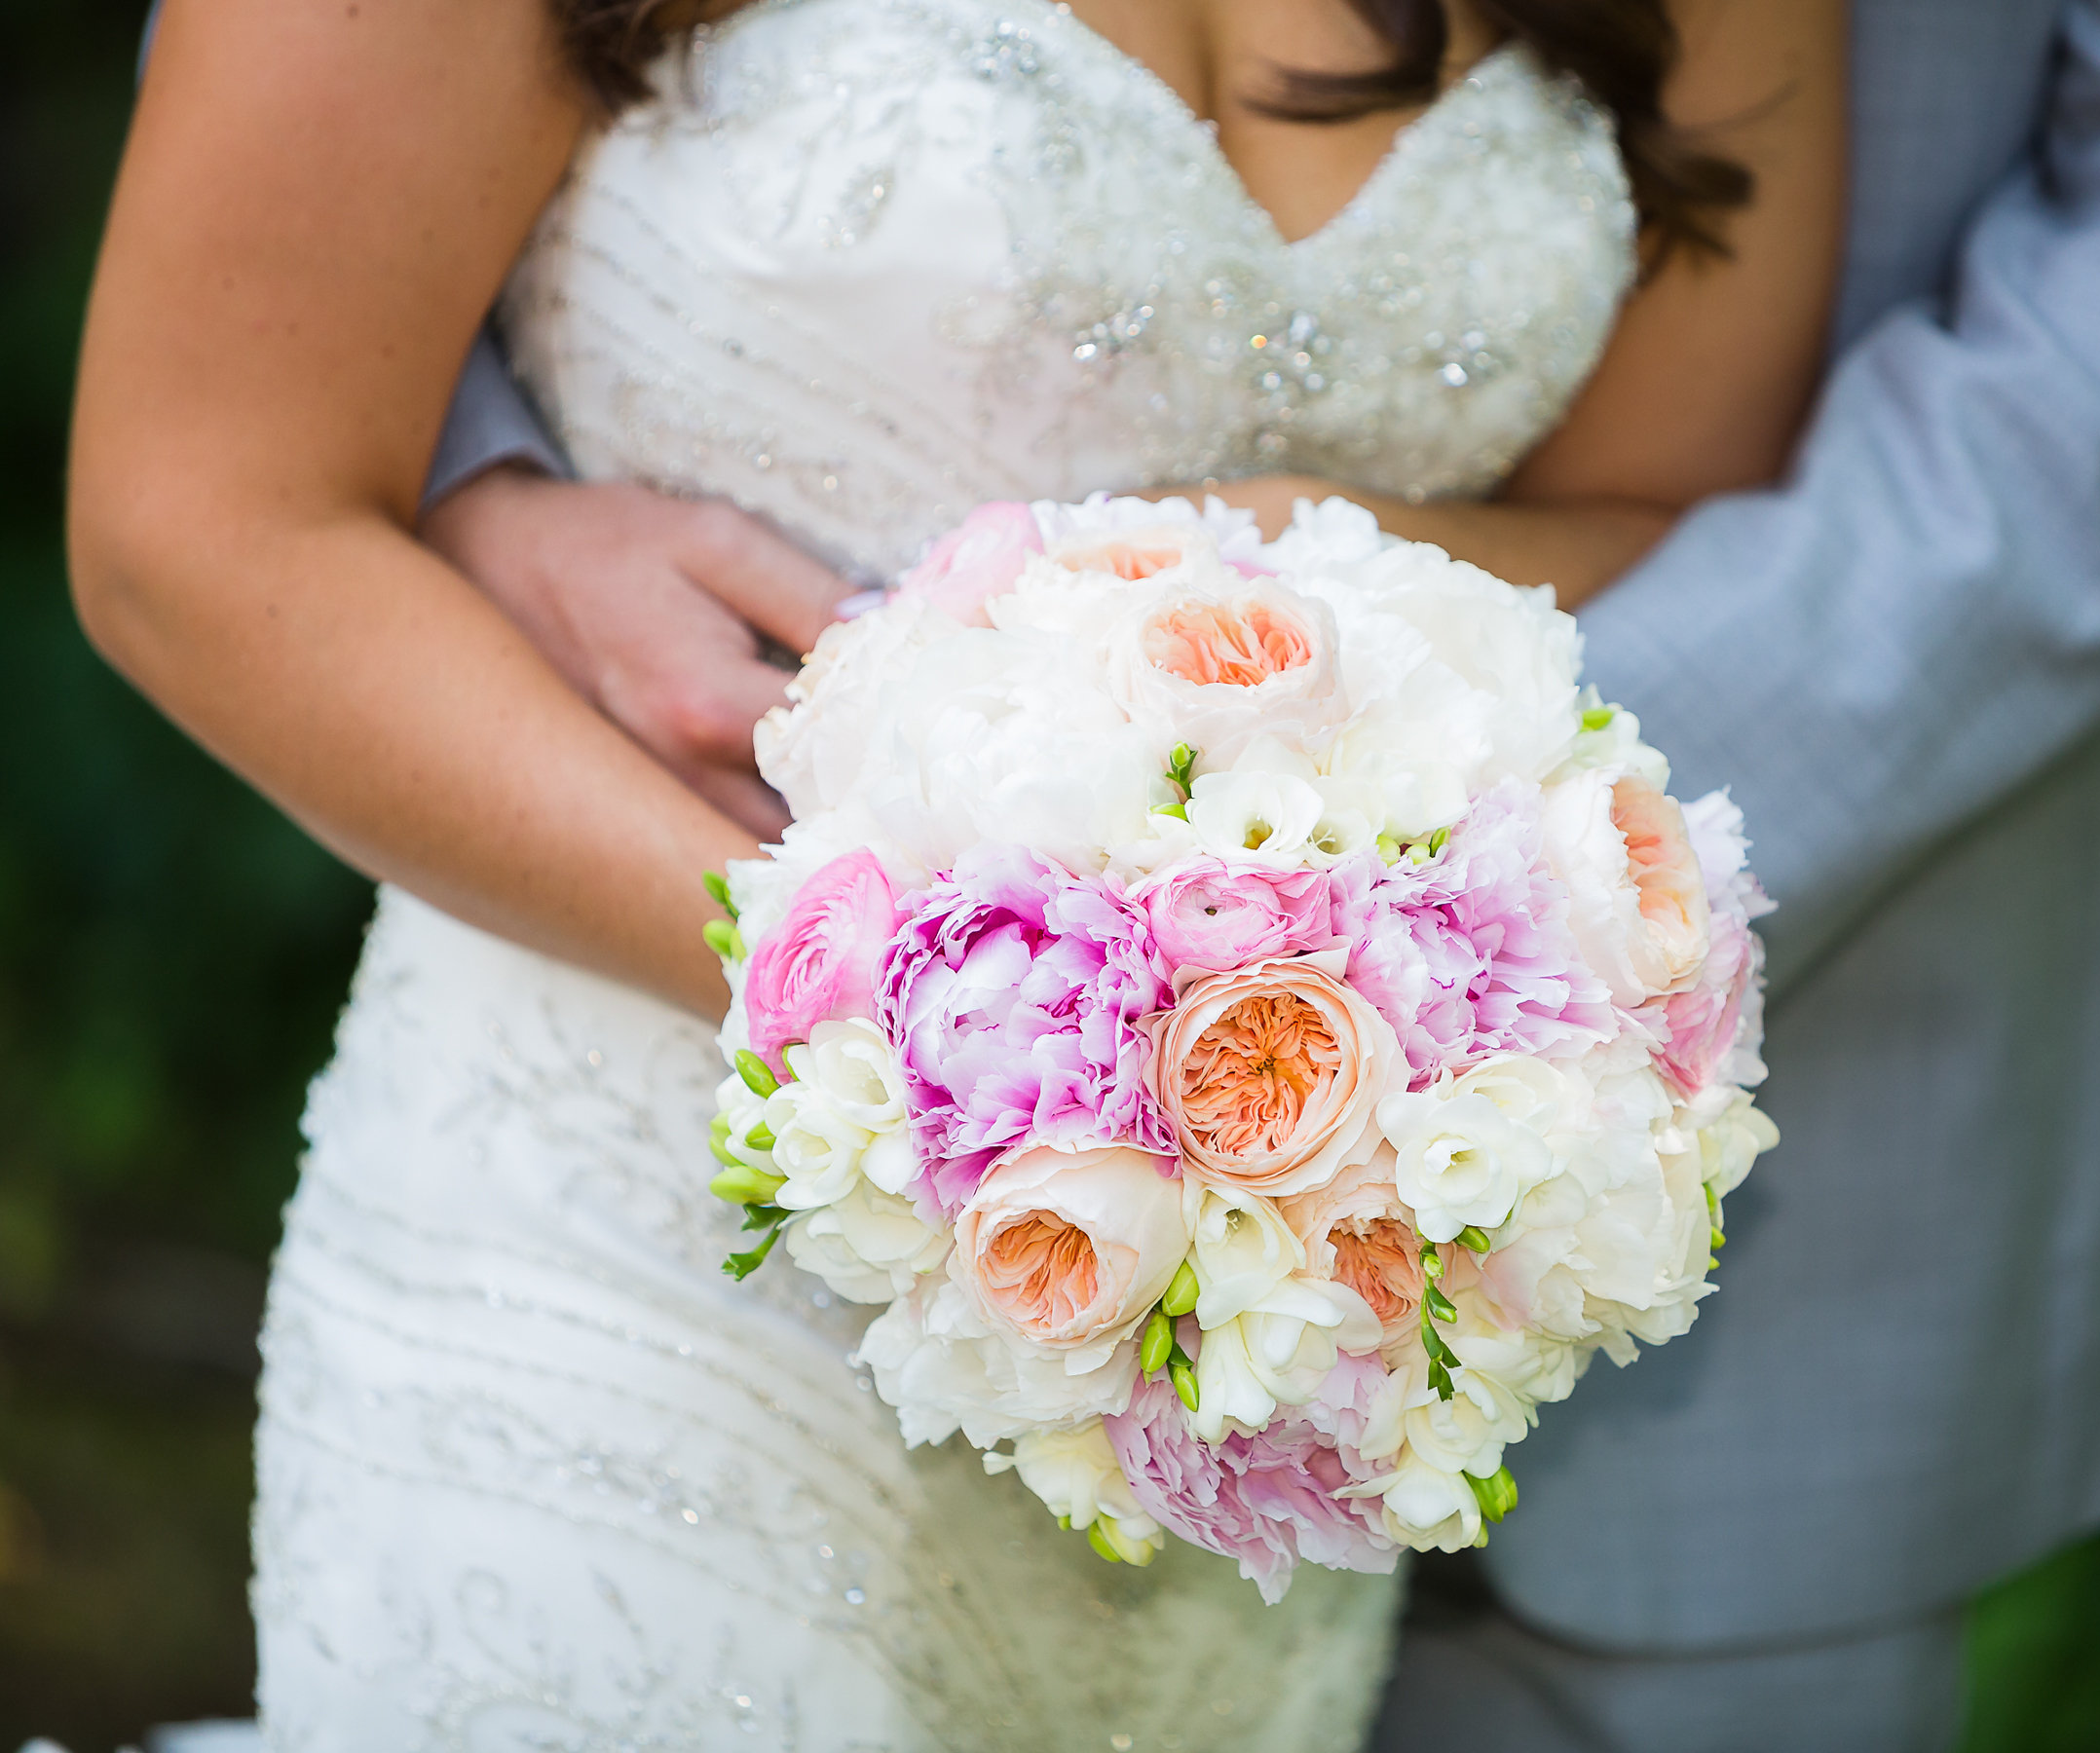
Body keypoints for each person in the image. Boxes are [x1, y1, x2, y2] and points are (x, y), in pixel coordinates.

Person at [378, 2, 2100, 1749]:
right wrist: (444, 480)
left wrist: (1477, 887)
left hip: (1798, 1171)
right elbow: (279, 337)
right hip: (656, 1212)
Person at [66, 0, 1844, 1744]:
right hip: (624, 1222)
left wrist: (1289, 604)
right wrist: (895, 1012)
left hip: (1261, 1321)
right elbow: (201, 521)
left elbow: (1675, 501)